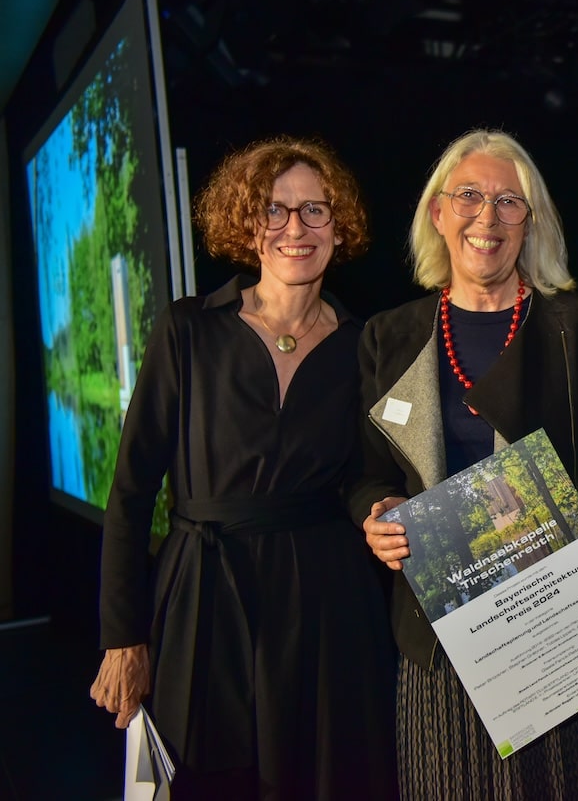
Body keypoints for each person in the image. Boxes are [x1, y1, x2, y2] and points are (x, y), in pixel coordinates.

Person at [353, 128, 578, 800]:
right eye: (468, 195)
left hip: (567, 623)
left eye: (509, 200)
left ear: (532, 222)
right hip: (441, 643)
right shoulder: (389, 335)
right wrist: (374, 514)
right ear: (438, 213)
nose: (487, 217)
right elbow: (369, 473)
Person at [90, 136, 397, 799]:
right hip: (203, 593)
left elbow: (359, 475)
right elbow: (132, 490)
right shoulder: (188, 330)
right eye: (275, 210)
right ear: (247, 225)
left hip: (325, 602)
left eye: (315, 211)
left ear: (339, 229)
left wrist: (374, 508)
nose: (296, 229)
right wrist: (123, 635)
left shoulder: (365, 345)